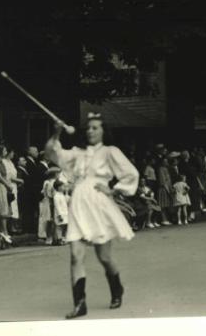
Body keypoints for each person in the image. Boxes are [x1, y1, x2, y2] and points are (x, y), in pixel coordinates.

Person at [46, 113, 139, 319]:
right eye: (88, 128)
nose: (90, 131)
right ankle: (80, 304)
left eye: (96, 128)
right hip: (78, 203)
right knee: (75, 256)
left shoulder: (109, 152)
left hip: (98, 205)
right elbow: (53, 154)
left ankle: (117, 289)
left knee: (104, 257)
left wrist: (114, 190)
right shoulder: (78, 153)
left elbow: (131, 174)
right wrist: (57, 131)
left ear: (104, 131)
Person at [3, 149, 24, 234]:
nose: (13, 154)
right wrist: (20, 180)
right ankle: (10, 227)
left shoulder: (11, 162)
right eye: (12, 152)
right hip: (9, 185)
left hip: (14, 186)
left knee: (14, 206)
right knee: (10, 205)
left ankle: (14, 226)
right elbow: (9, 176)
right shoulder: (4, 162)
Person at [39, 166, 60, 245]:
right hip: (51, 202)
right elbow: (50, 194)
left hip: (48, 201)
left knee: (51, 220)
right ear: (54, 174)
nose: (59, 175)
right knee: (50, 220)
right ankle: (50, 237)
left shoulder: (47, 182)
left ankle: (53, 237)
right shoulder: (51, 183)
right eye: (58, 173)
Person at [155, 159, 174, 226]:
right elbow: (162, 181)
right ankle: (164, 220)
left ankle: (167, 219)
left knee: (167, 205)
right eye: (165, 161)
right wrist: (168, 189)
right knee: (163, 205)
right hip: (164, 189)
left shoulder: (166, 169)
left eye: (167, 161)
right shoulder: (161, 169)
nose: (166, 162)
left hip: (168, 188)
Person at [53, 179, 69, 245]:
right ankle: (59, 239)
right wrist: (59, 215)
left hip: (65, 213)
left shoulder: (62, 195)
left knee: (65, 226)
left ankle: (63, 238)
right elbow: (57, 206)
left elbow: (66, 203)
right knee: (59, 227)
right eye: (62, 186)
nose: (64, 188)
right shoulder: (56, 196)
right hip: (60, 214)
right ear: (58, 187)